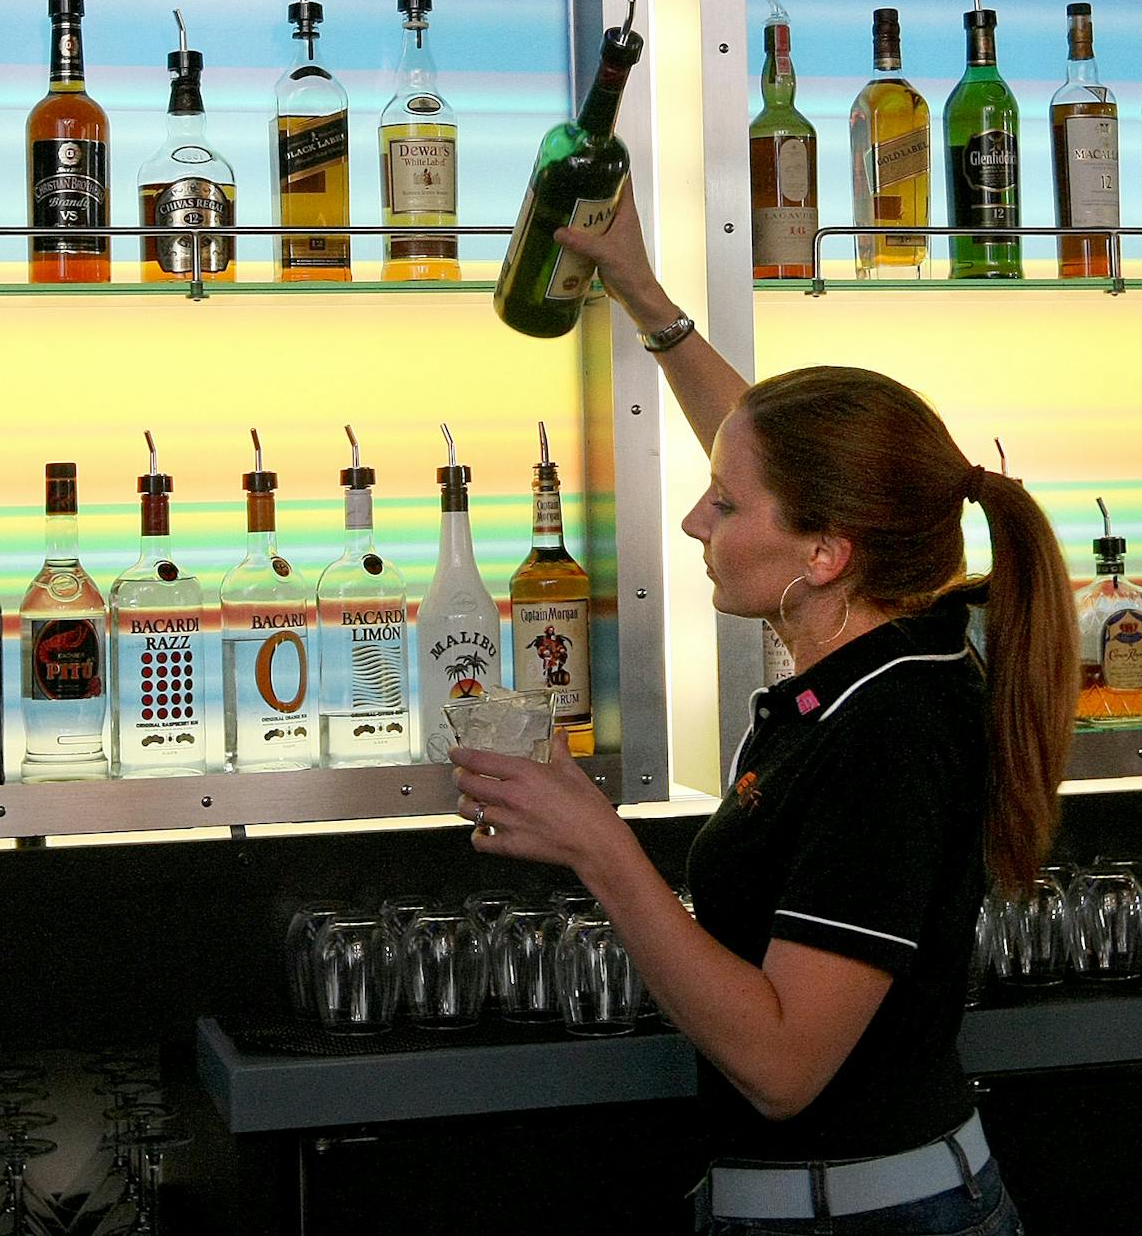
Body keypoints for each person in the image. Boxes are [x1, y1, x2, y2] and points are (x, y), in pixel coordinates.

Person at [452, 190, 1078, 1234]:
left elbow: (784, 1066)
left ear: (826, 554)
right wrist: (648, 302)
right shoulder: (892, 652)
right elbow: (777, 461)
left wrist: (602, 847)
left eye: (724, 504)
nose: (697, 518)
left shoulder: (889, 734)